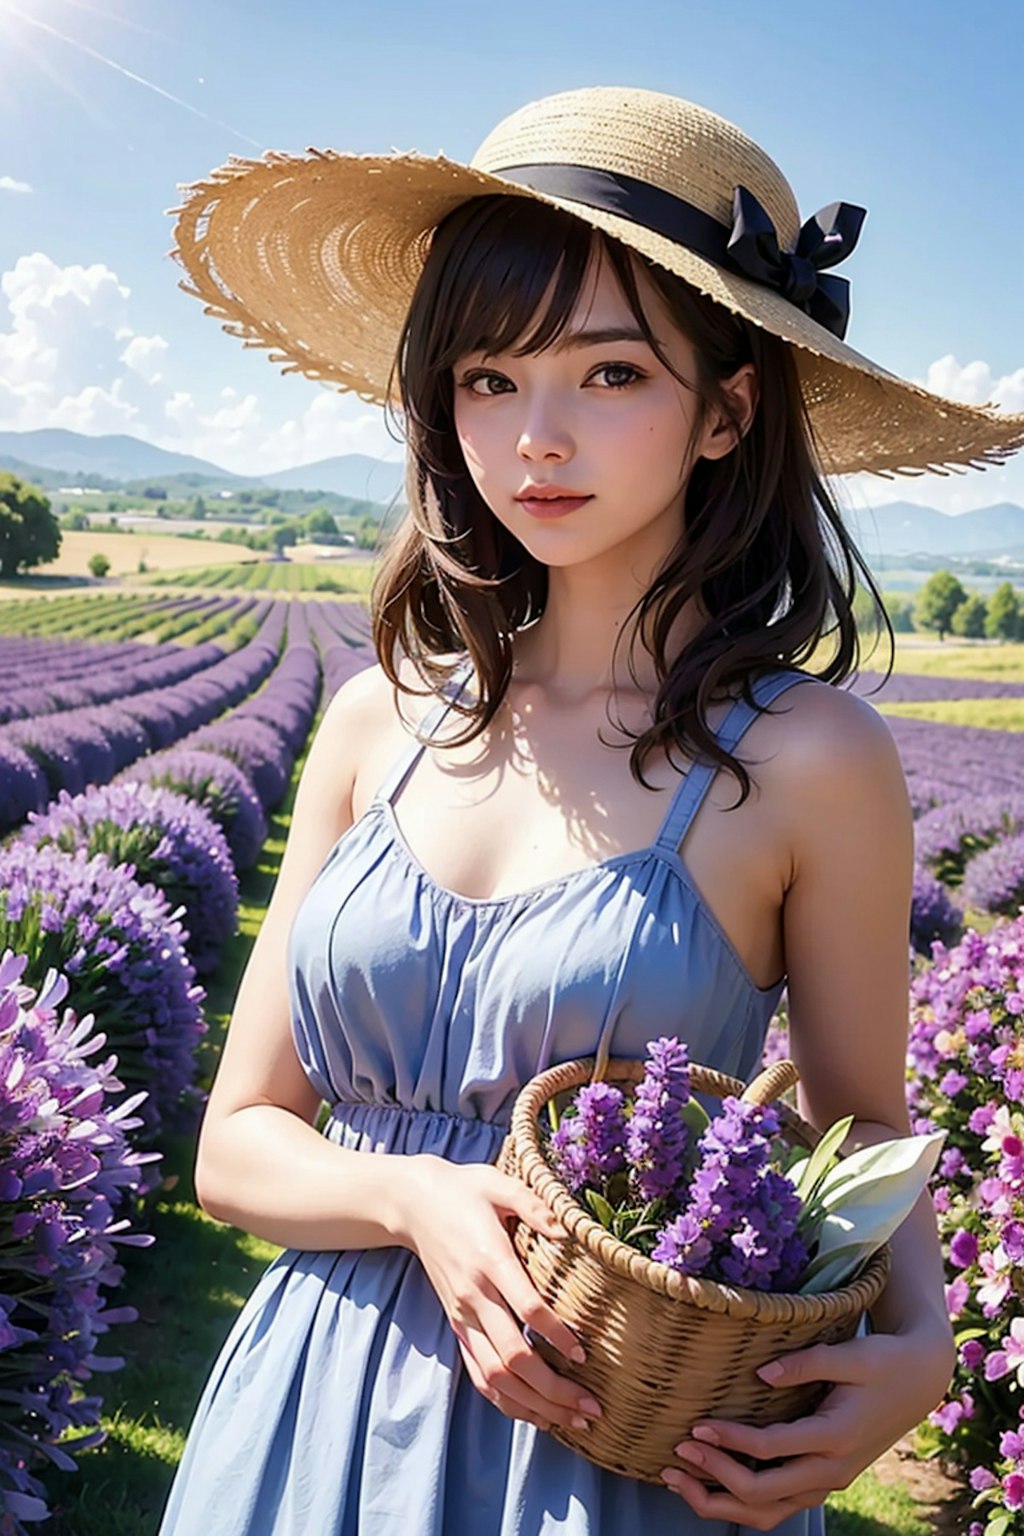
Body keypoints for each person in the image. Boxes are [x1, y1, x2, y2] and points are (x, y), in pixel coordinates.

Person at [159, 86, 1023, 1535]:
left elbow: (864, 1124)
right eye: (488, 380)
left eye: (608, 375)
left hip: (614, 1444)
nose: (536, 438)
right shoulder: (380, 723)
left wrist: (923, 1356)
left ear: (726, 410)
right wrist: (417, 1203)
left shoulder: (812, 759)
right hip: (314, 1407)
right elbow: (236, 1144)